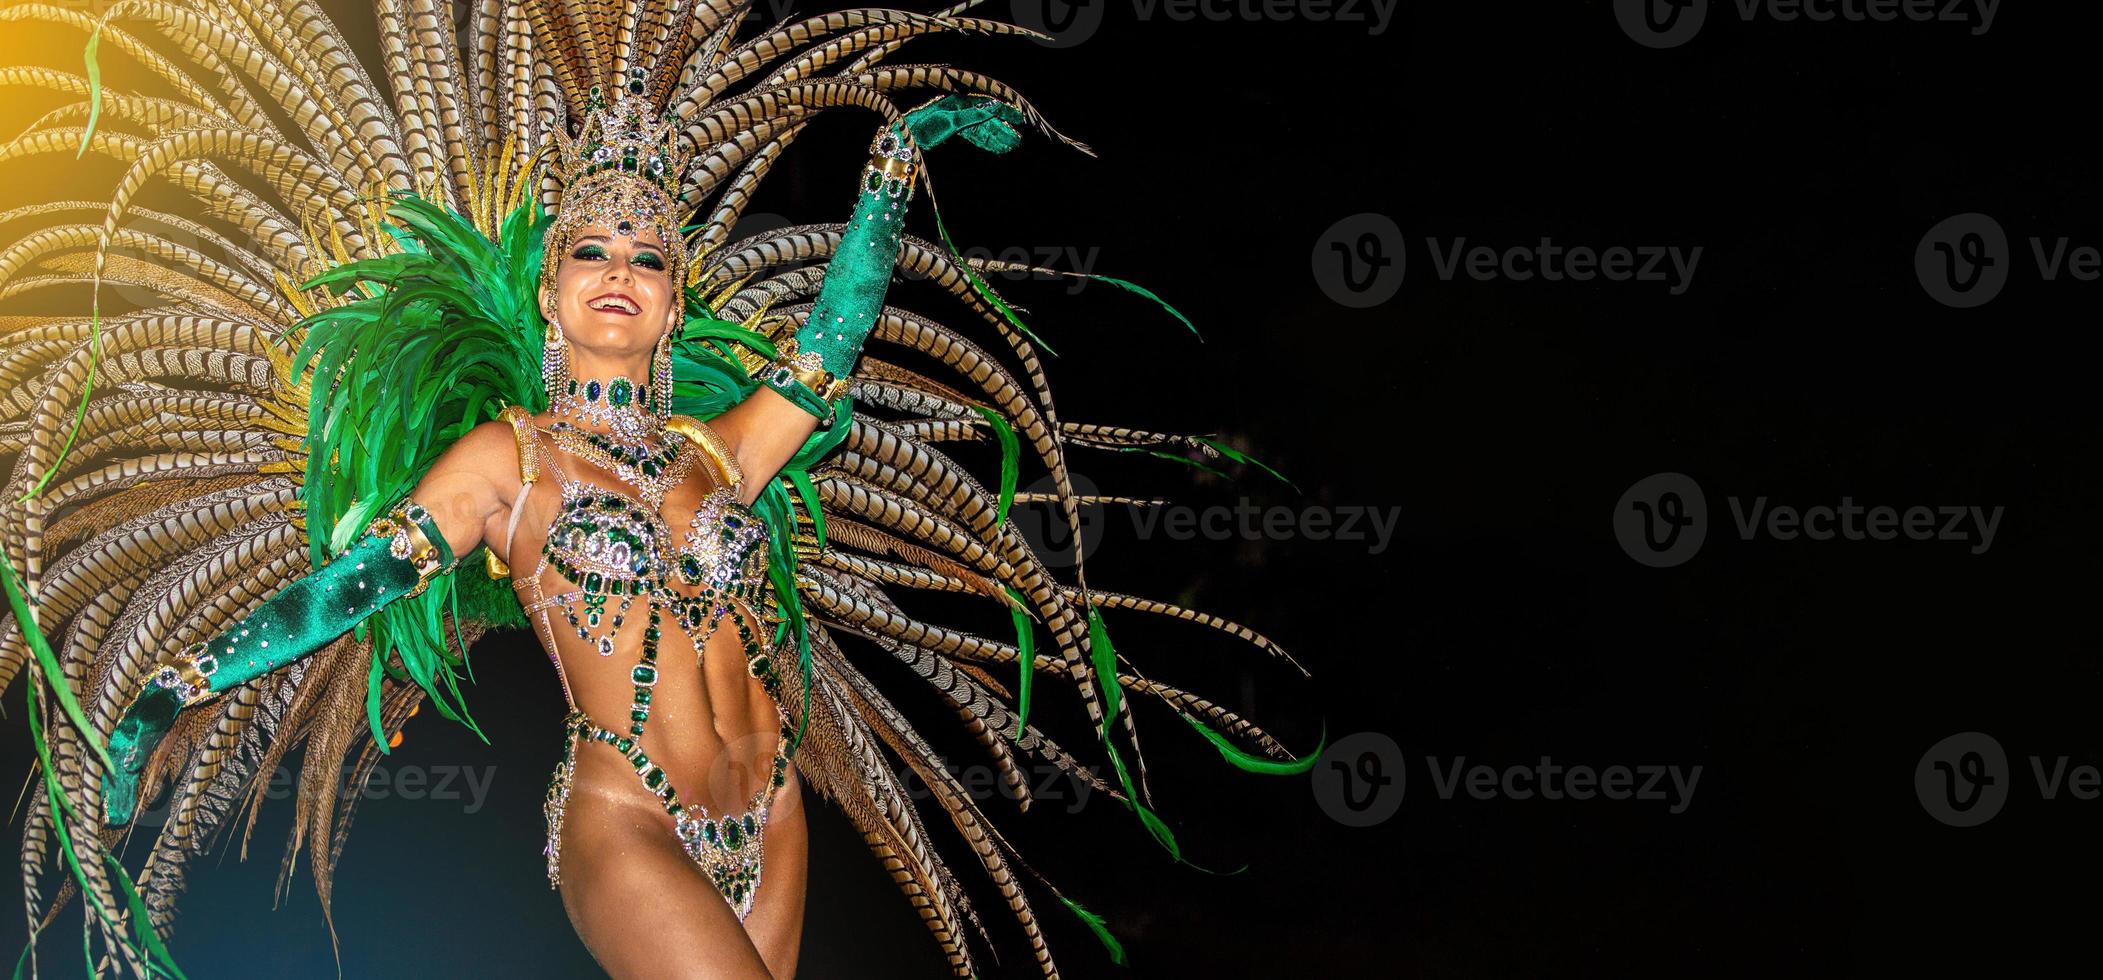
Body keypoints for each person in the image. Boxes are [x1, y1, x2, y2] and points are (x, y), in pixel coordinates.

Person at [0, 3, 1314, 977]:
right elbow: (348, 589)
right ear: (549, 289)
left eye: (647, 253)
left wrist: (890, 172)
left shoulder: (715, 452)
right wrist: (176, 688)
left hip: (775, 812)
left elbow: (827, 349)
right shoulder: (507, 465)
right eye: (590, 250)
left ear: (678, 301)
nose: (618, 269)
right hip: (630, 820)